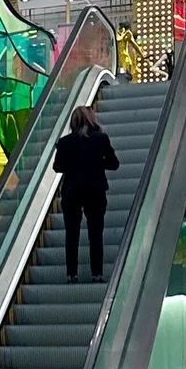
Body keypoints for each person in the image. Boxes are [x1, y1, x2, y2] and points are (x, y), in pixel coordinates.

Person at [53, 104, 119, 283]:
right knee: (96, 233)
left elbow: (57, 167)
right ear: (90, 120)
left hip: (72, 191)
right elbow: (114, 163)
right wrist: (96, 163)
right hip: (95, 190)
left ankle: (71, 274)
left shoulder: (65, 142)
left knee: (71, 233)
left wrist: (75, 165)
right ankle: (97, 273)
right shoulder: (101, 139)